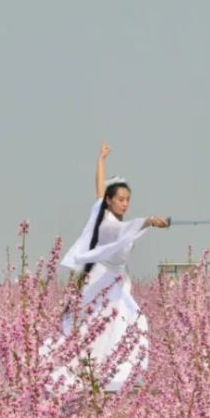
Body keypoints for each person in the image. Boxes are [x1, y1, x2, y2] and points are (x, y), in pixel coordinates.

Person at [40, 142, 169, 394]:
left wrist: (101, 160)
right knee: (104, 321)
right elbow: (124, 228)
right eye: (120, 199)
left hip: (115, 279)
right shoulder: (109, 224)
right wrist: (149, 221)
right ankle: (101, 373)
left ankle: (116, 372)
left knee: (124, 321)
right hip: (103, 279)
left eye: (128, 200)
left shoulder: (104, 210)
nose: (125, 204)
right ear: (109, 201)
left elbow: (99, 187)